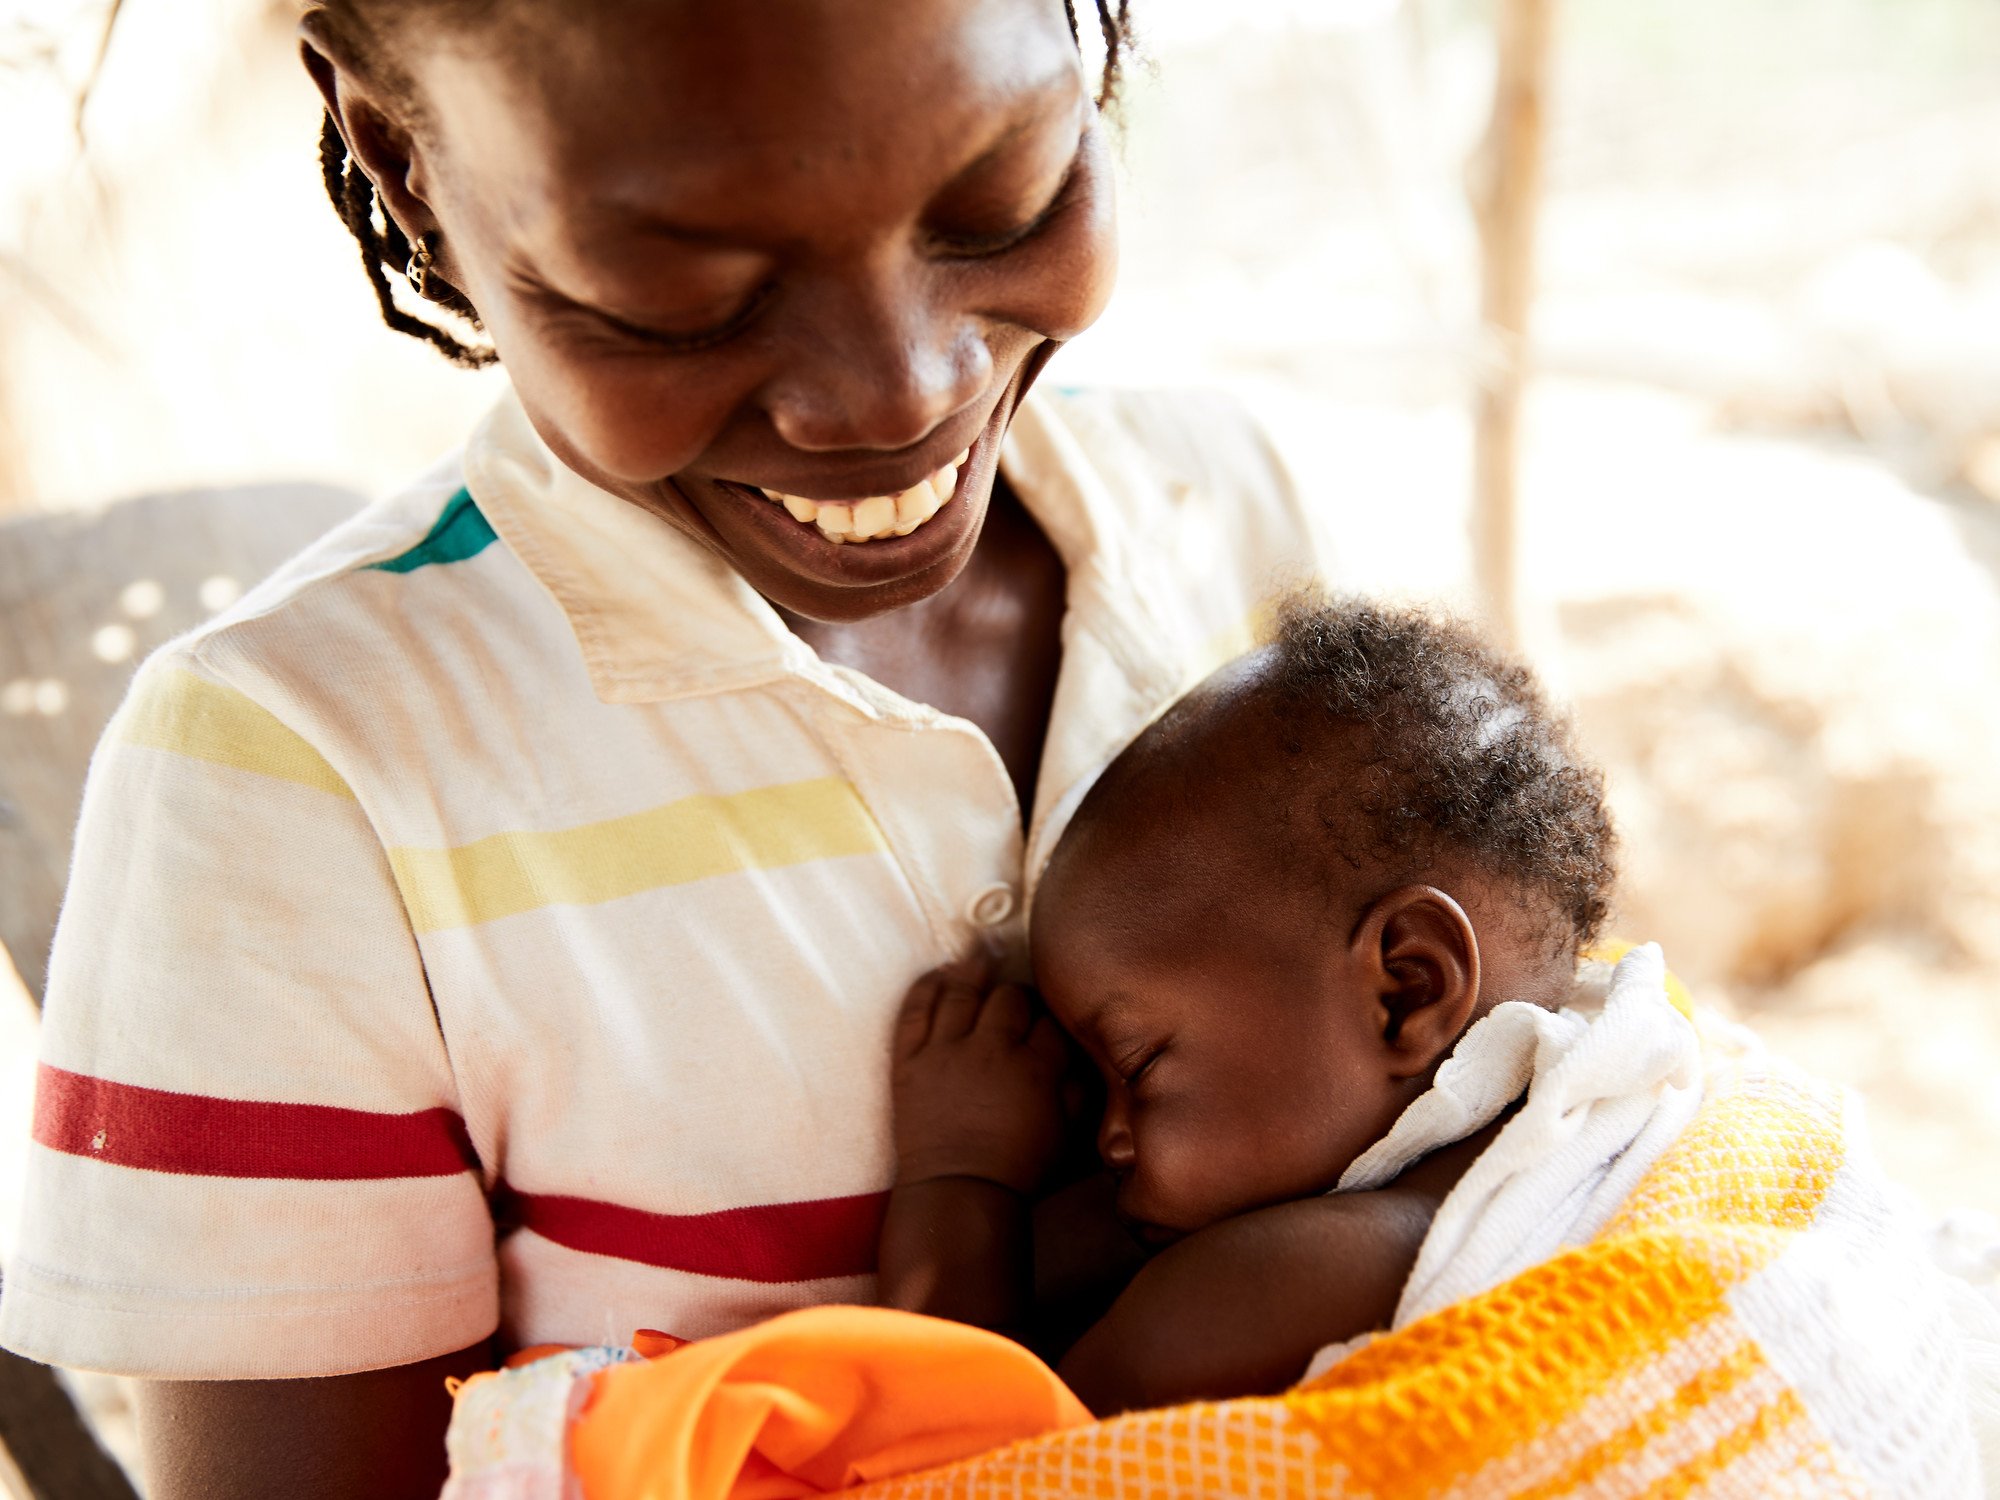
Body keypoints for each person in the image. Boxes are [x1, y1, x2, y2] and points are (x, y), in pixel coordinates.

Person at [0, 2, 1341, 1497]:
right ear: (403, 164)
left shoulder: (1223, 506)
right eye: (681, 293)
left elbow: (1543, 1110)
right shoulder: (290, 778)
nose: (899, 391)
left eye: (1003, 199)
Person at [880, 597, 1621, 1413]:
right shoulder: (1609, 1084)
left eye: (1136, 1063)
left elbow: (956, 1451)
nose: (1106, 1139)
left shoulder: (1262, 1293)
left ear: (1409, 990)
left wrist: (958, 1174)